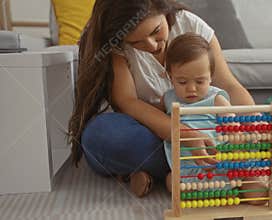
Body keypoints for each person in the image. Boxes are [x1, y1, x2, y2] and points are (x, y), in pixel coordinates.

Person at [68, 0, 256, 198]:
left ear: (164, 10)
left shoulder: (192, 26)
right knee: (101, 134)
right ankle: (199, 170)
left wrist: (254, 125)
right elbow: (128, 102)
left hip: (206, 130)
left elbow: (229, 86)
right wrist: (184, 135)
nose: (150, 45)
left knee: (246, 135)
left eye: (155, 31)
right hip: (154, 135)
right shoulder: (117, 47)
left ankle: (166, 173)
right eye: (136, 42)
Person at [161, 33, 268, 205]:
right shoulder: (167, 99)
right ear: (170, 76)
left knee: (251, 184)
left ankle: (251, 187)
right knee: (171, 182)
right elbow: (161, 125)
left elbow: (233, 128)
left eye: (200, 81)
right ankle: (206, 194)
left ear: (211, 77)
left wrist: (242, 141)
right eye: (182, 82)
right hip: (188, 167)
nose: (191, 88)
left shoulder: (216, 99)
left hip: (222, 164)